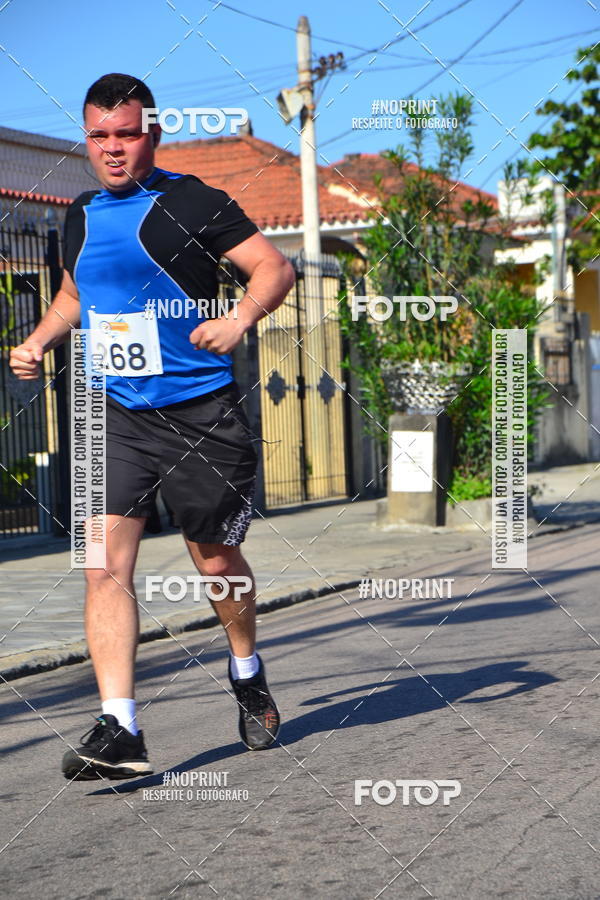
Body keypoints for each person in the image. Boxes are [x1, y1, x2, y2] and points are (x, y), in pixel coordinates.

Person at [9, 73, 295, 780]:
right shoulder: (77, 214)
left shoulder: (194, 201)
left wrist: (238, 319)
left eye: (126, 134)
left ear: (153, 134)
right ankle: (122, 728)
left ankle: (246, 669)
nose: (111, 149)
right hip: (114, 411)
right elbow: (75, 293)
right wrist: (41, 340)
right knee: (103, 565)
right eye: (99, 136)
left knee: (215, 560)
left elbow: (274, 268)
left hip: (201, 411)